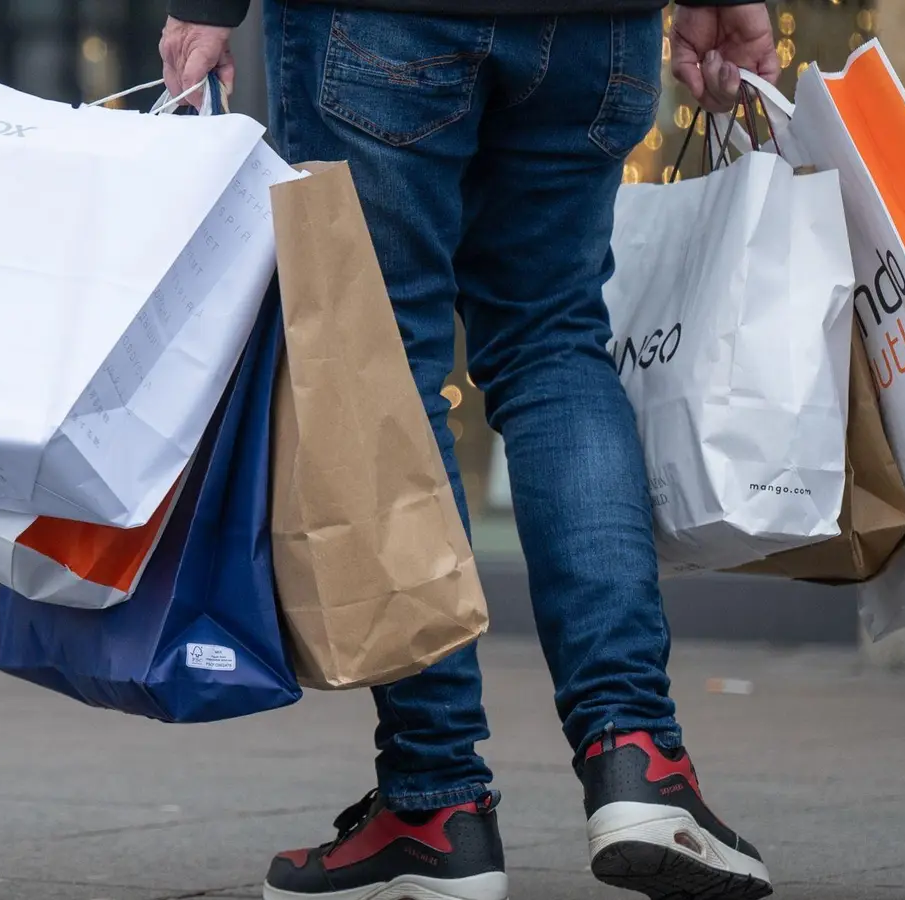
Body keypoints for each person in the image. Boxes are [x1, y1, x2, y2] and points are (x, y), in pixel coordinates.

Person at [160, 1, 780, 898]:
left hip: (380, 24)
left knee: (383, 365)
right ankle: (639, 762)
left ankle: (435, 801)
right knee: (556, 341)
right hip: (593, 29)